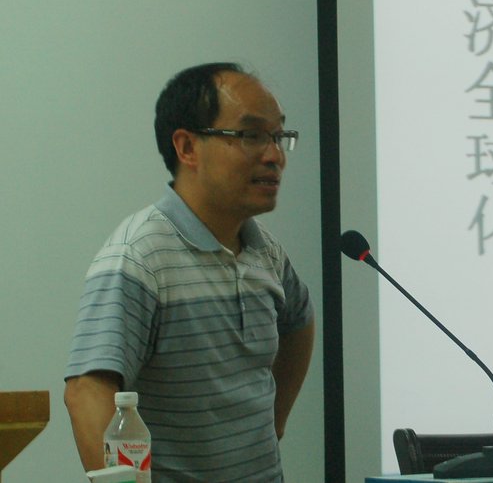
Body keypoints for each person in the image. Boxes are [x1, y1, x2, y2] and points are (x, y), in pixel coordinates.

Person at [64, 62, 315, 482]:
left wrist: (274, 426)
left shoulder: (265, 251)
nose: (274, 156)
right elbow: (87, 391)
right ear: (187, 147)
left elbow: (299, 322)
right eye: (252, 136)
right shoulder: (139, 256)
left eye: (278, 136)